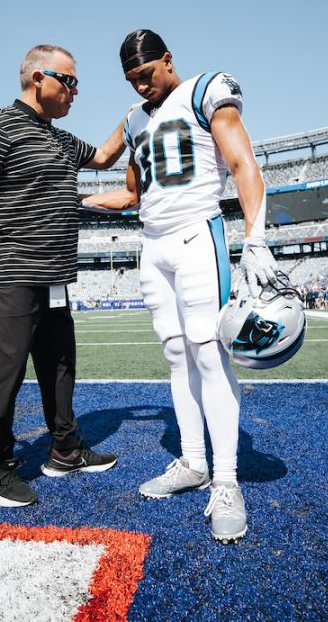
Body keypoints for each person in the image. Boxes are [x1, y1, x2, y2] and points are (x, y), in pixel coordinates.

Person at [81, 29, 274, 543]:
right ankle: (192, 462)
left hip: (197, 234)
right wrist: (76, 200)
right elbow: (126, 191)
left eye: (146, 74)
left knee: (209, 354)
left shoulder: (204, 90)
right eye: (131, 80)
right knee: (175, 353)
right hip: (154, 244)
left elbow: (241, 163)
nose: (142, 86)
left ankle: (227, 480)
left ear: (168, 60)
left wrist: (256, 236)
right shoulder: (133, 119)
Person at [0, 43, 129, 508]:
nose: (75, 91)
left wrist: (133, 118)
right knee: (5, 374)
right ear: (39, 78)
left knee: (60, 365)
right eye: (69, 81)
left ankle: (65, 450)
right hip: (12, 273)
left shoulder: (59, 138)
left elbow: (105, 158)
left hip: (54, 276)